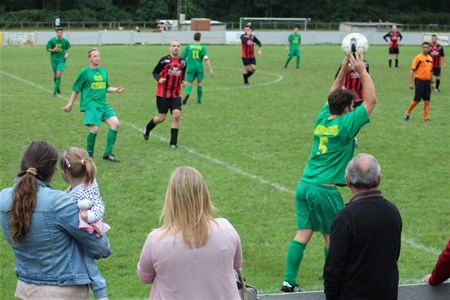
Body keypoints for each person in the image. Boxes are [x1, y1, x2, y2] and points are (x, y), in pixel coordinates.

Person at [280, 54, 377, 293]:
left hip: (305, 184)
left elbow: (331, 94)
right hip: (325, 189)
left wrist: (343, 70)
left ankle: (287, 282)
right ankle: (333, 282)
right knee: (331, 237)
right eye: (351, 107)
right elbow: (371, 100)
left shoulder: (322, 118)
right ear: (346, 109)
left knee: (303, 232)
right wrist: (362, 70)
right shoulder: (345, 125)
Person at [0, 140, 111, 300]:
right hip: (63, 291)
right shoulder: (59, 203)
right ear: (52, 172)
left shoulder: (3, 198)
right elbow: (100, 247)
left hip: (25, 290)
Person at [137, 166, 242, 300]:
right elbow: (236, 265)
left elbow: (145, 276)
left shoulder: (156, 240)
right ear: (204, 194)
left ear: (171, 199)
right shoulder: (226, 229)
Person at [324, 154, 402, 300]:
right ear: (379, 179)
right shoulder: (392, 212)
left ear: (347, 181)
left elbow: (333, 268)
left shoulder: (345, 217)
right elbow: (394, 255)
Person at [60, 147, 110, 299]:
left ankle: (102, 295)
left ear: (65, 172)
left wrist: (89, 216)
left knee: (90, 267)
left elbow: (99, 206)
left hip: (86, 232)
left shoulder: (76, 196)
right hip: (85, 232)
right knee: (88, 266)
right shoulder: (91, 182)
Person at [63, 48, 125, 162]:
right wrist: (70, 104)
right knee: (95, 129)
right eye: (95, 56)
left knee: (115, 123)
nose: (98, 58)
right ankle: (89, 157)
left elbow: (106, 87)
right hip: (90, 104)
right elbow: (76, 89)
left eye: (99, 56)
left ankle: (108, 154)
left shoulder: (103, 71)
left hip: (103, 104)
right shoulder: (84, 72)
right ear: (89, 58)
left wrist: (116, 90)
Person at [143, 41, 186, 148]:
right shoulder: (164, 60)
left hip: (176, 93)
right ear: (170, 48)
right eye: (174, 46)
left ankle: (173, 143)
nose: (176, 48)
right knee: (161, 118)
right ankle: (148, 128)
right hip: (162, 94)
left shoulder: (183, 61)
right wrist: (159, 79)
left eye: (178, 46)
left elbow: (182, 75)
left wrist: (183, 81)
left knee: (176, 115)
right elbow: (155, 72)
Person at [403, 42, 433, 122]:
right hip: (419, 81)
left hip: (427, 82)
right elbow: (412, 70)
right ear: (421, 48)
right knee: (417, 99)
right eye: (424, 47)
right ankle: (407, 111)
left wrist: (432, 82)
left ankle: (426, 118)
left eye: (427, 47)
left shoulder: (430, 58)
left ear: (429, 48)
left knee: (427, 100)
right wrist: (411, 82)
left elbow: (431, 71)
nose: (425, 49)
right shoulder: (418, 58)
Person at [181, 32, 214, 105]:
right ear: (200, 38)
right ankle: (199, 100)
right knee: (199, 83)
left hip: (190, 67)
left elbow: (182, 57)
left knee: (190, 83)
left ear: (194, 38)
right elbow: (206, 59)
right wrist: (210, 69)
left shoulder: (189, 47)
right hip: (199, 68)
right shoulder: (202, 47)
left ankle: (187, 93)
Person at [46, 27, 70, 96]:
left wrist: (66, 54)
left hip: (62, 60)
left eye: (61, 32)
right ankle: (58, 87)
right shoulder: (52, 40)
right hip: (53, 59)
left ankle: (54, 92)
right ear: (56, 33)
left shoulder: (65, 41)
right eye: (59, 32)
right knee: (55, 75)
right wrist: (53, 50)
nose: (60, 34)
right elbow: (47, 49)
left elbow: (66, 49)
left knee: (58, 74)